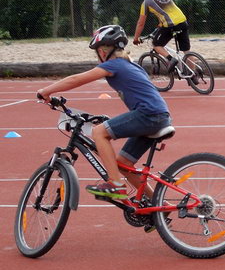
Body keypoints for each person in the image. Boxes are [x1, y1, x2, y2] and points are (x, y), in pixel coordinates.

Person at [36, 25, 173, 205]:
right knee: (123, 163)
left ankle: (115, 185)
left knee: (99, 132)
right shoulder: (129, 65)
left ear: (102, 51)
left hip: (149, 115)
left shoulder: (113, 65)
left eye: (97, 53)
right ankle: (158, 203)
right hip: (158, 116)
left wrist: (46, 91)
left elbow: (76, 79)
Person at [131, 0, 193, 75]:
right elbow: (164, 10)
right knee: (186, 51)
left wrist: (136, 38)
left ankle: (171, 59)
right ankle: (194, 74)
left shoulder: (146, 2)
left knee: (156, 44)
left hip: (171, 25)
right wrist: (160, 24)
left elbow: (141, 23)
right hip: (183, 21)